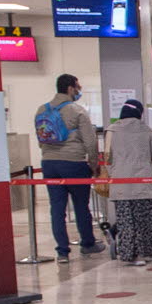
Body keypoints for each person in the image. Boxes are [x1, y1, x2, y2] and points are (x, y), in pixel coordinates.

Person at [35, 73, 101, 261]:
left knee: (56, 208)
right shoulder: (77, 110)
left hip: (49, 163)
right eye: (78, 88)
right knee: (81, 206)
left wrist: (49, 154)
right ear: (71, 88)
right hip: (74, 163)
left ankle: (62, 251)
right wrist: (94, 164)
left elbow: (40, 138)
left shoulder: (42, 109)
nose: (79, 91)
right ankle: (88, 244)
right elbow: (90, 141)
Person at [101, 100, 152, 264]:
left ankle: (128, 254)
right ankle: (146, 252)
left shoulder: (111, 131)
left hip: (120, 183)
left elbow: (107, 157)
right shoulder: (146, 131)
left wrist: (114, 172)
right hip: (143, 182)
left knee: (125, 221)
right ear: (139, 113)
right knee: (144, 221)